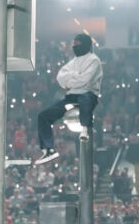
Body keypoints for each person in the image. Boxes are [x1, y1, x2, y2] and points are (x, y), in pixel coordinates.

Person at [35, 32, 103, 164]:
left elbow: (85, 80)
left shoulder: (94, 61)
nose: (75, 46)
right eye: (74, 44)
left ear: (85, 45)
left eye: (77, 44)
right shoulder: (73, 62)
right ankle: (48, 150)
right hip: (71, 97)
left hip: (88, 94)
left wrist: (70, 79)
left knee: (85, 101)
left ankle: (85, 129)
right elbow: (60, 78)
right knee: (43, 116)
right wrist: (76, 76)